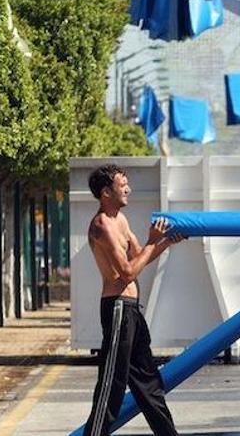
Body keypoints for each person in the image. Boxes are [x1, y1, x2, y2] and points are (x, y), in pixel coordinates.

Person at [83, 164, 185, 436]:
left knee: (149, 381)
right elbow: (127, 273)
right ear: (106, 192)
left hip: (131, 310)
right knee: (111, 385)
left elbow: (141, 257)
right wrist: (154, 241)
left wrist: (165, 243)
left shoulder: (121, 221)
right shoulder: (101, 225)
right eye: (122, 185)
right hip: (117, 307)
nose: (128, 189)